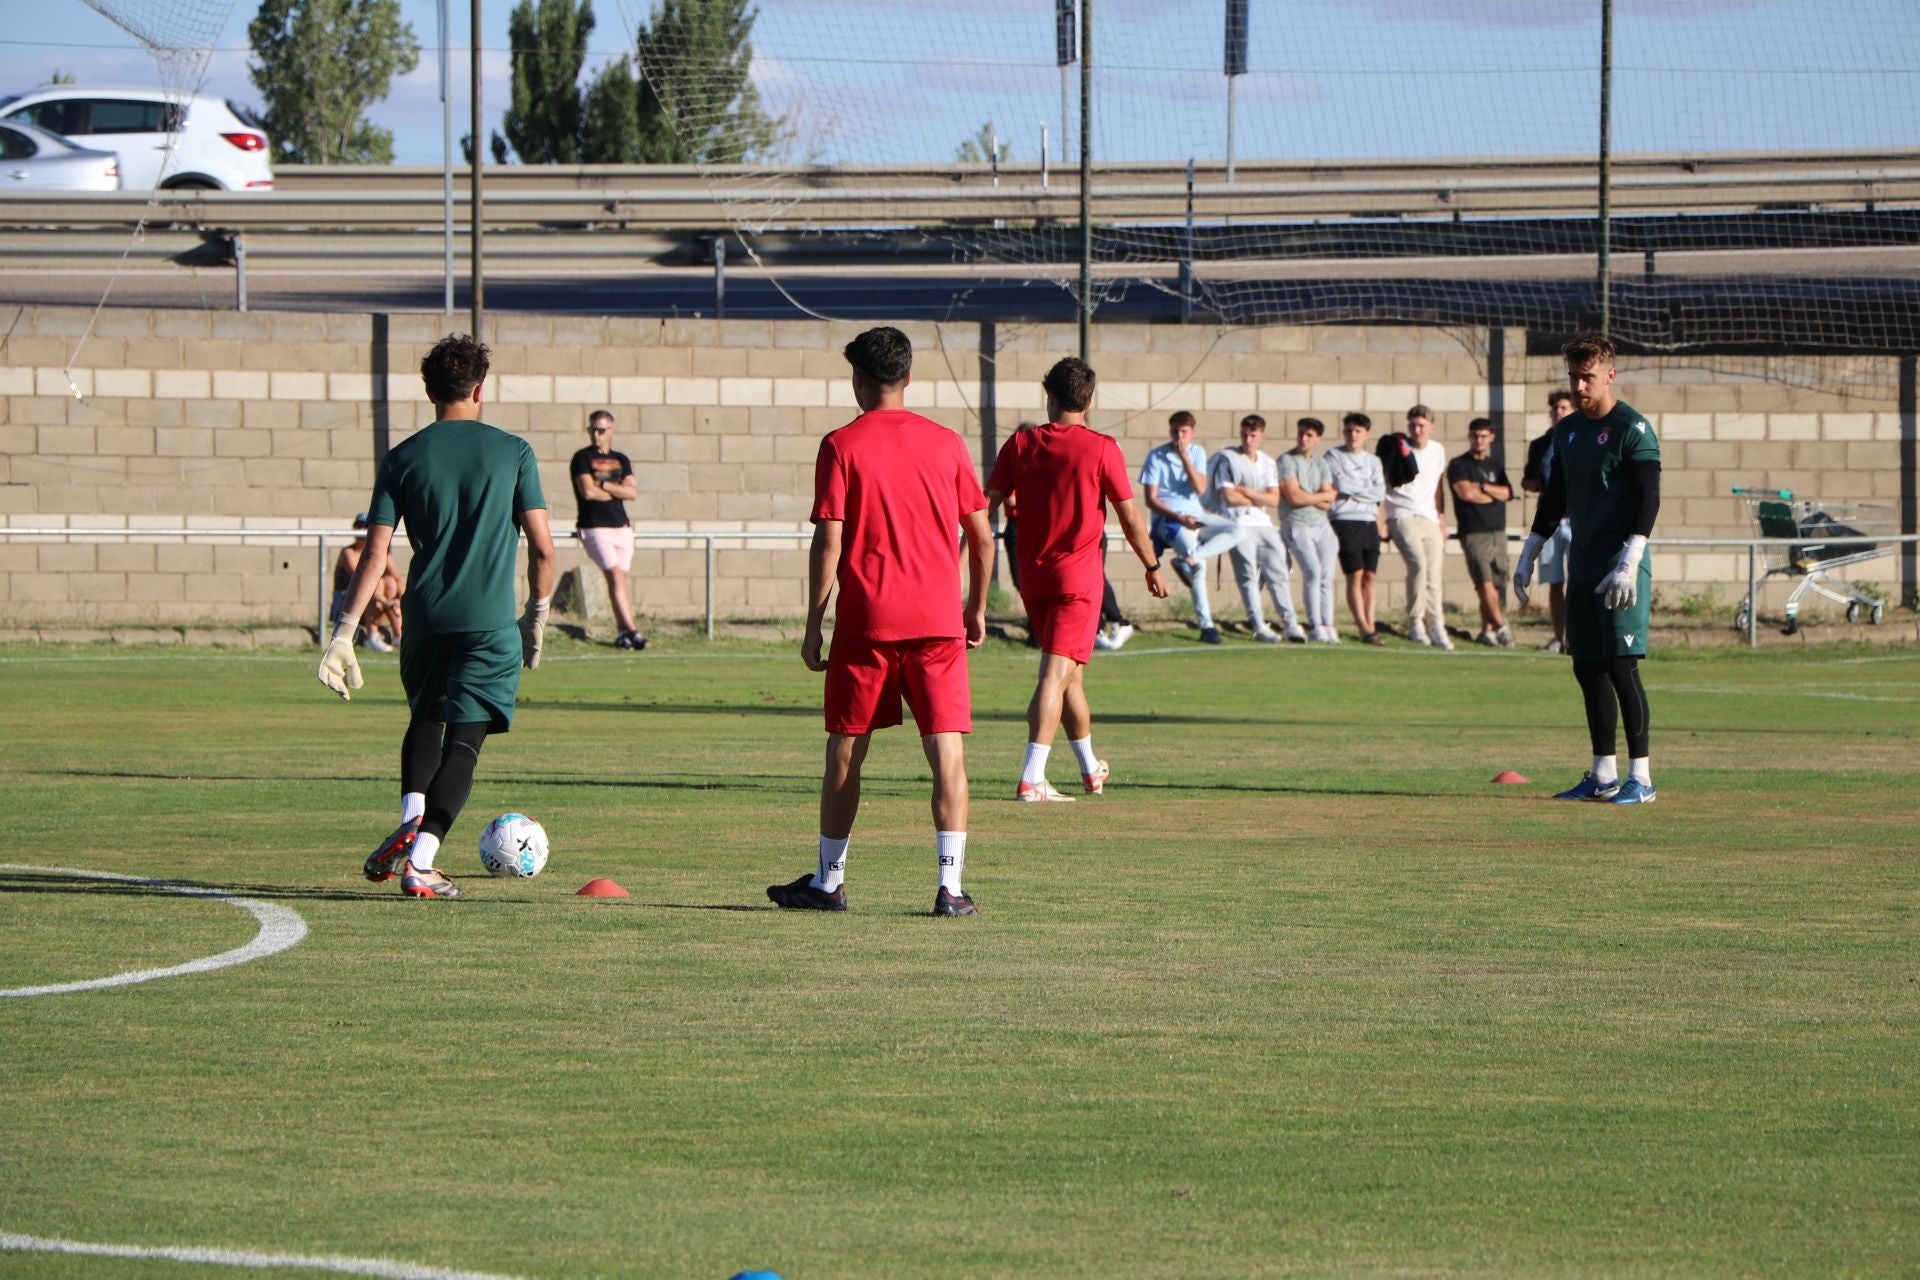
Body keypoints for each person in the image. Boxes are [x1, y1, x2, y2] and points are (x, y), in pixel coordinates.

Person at [319, 333, 557, 899]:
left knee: (425, 719)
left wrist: (344, 633)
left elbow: (375, 555)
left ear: (429, 392)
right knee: (466, 741)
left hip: (423, 617)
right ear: (479, 389)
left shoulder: (401, 457)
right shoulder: (514, 451)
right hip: (488, 622)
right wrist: (537, 615)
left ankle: (410, 816)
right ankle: (422, 859)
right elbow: (545, 549)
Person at [770, 327, 993, 916]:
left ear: (859, 381)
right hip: (938, 623)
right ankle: (950, 888)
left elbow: (828, 542)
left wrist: (814, 620)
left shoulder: (841, 444)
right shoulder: (946, 443)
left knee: (845, 754)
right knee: (947, 754)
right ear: (909, 378)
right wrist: (976, 606)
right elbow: (982, 537)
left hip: (867, 620)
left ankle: (828, 881)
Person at [986, 357, 1168, 802]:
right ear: (1088, 400)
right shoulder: (1102, 447)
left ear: (1049, 394)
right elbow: (1130, 517)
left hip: (1034, 578)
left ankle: (1091, 769)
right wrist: (1152, 565)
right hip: (1078, 582)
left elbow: (983, 504)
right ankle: (1032, 778)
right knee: (1053, 675)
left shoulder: (1022, 443)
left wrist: (961, 554)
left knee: (1071, 678)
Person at [1513, 335, 1663, 805]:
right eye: (1574, 376)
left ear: (1610, 375)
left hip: (1620, 565)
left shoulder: (1632, 428)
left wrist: (1631, 558)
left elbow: (1648, 497)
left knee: (1622, 668)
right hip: (1582, 565)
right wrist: (1531, 548)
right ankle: (1603, 775)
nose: (1579, 385)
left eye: (1588, 377)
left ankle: (1642, 779)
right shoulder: (1569, 431)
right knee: (1587, 668)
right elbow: (1555, 494)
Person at [1140, 410, 1242, 644]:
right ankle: (1207, 626)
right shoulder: (1156, 456)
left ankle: (1192, 558)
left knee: (1236, 529)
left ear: (1192, 433)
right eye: (1175, 431)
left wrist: (1186, 459)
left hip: (1196, 516)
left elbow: (1200, 489)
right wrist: (1178, 516)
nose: (1179, 436)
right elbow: (1151, 499)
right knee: (1200, 569)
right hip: (1169, 520)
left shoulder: (1196, 453)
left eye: (1184, 431)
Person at [1207, 414, 1304, 644]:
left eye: (1253, 435)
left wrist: (1249, 493)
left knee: (1278, 573)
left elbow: (1273, 499)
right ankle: (1258, 625)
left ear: (1262, 436)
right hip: (1238, 525)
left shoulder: (1268, 462)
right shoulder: (1228, 460)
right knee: (1248, 576)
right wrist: (1259, 497)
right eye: (1245, 434)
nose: (1248, 440)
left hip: (1264, 524)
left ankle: (1290, 624)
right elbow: (1229, 496)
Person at [570, 409, 647, 650]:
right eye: (592, 429)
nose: (596, 434)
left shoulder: (621, 459)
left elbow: (632, 492)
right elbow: (588, 492)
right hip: (595, 527)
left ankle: (622, 632)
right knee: (614, 576)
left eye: (601, 430)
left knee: (619, 581)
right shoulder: (582, 458)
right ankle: (633, 631)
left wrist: (602, 483)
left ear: (611, 431)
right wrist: (615, 488)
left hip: (621, 527)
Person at [1383, 404, 1451, 649]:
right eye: (1413, 425)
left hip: (1429, 517)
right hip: (1401, 514)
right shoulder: (1397, 449)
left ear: (1431, 427)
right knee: (1418, 565)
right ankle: (1415, 622)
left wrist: (1442, 518)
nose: (1417, 429)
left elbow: (1437, 486)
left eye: (1422, 425)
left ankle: (1437, 626)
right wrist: (1382, 519)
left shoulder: (1437, 450)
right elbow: (1382, 484)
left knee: (1434, 576)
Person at [1448, 417, 1515, 647]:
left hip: (1498, 530)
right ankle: (1501, 626)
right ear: (1470, 437)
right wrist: (1490, 495)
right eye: (1475, 435)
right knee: (1483, 582)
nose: (1479, 440)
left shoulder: (1495, 466)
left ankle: (1487, 631)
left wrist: (1484, 488)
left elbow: (1507, 493)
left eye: (1484, 436)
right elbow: (1466, 494)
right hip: (1473, 532)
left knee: (1495, 584)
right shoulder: (1458, 464)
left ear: (1491, 438)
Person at [1522, 389, 1579, 652]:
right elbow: (1528, 480)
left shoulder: (1582, 439)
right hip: (1551, 521)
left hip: (1578, 519)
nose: (1559, 413)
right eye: (1556, 408)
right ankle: (1560, 636)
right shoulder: (1539, 445)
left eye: (1564, 408)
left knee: (1580, 580)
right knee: (1555, 581)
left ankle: (1579, 636)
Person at [1276, 417, 1341, 643]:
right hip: (1297, 524)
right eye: (1301, 433)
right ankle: (1315, 624)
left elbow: (1328, 501)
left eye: (1309, 435)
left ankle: (1327, 624)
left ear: (1318, 439)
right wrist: (1319, 496)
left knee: (1326, 575)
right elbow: (1293, 496)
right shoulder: (1287, 460)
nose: (1304, 438)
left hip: (1321, 525)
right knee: (1312, 571)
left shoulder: (1321, 464)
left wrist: (1311, 496)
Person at [1325, 411, 1388, 644]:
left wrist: (1356, 489)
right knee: (1355, 575)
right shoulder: (1334, 455)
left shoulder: (1374, 461)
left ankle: (1371, 624)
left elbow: (1379, 492)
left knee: (1370, 577)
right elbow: (1340, 483)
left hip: (1369, 521)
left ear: (1366, 434)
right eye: (1349, 430)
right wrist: (1365, 490)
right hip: (1345, 519)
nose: (1353, 435)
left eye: (1358, 431)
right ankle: (1363, 627)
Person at [332, 513, 403, 652]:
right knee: (375, 584)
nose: (362, 532)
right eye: (359, 527)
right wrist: (386, 603)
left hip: (377, 602)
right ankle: (372, 635)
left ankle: (398, 636)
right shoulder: (348, 552)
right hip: (347, 603)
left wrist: (403, 600)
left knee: (391, 583)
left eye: (365, 527)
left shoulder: (381, 553)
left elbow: (398, 578)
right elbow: (361, 582)